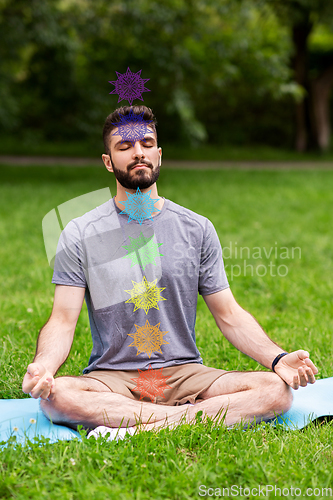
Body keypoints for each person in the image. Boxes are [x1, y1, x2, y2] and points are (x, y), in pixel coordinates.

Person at [22, 105, 318, 432]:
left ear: (159, 155)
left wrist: (278, 360)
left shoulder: (197, 229)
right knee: (57, 396)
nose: (138, 153)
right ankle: (191, 420)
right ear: (108, 162)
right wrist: (44, 367)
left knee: (275, 390)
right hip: (113, 378)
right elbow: (62, 320)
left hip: (185, 374)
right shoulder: (80, 232)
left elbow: (229, 315)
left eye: (147, 144)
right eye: (125, 147)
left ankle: (138, 425)